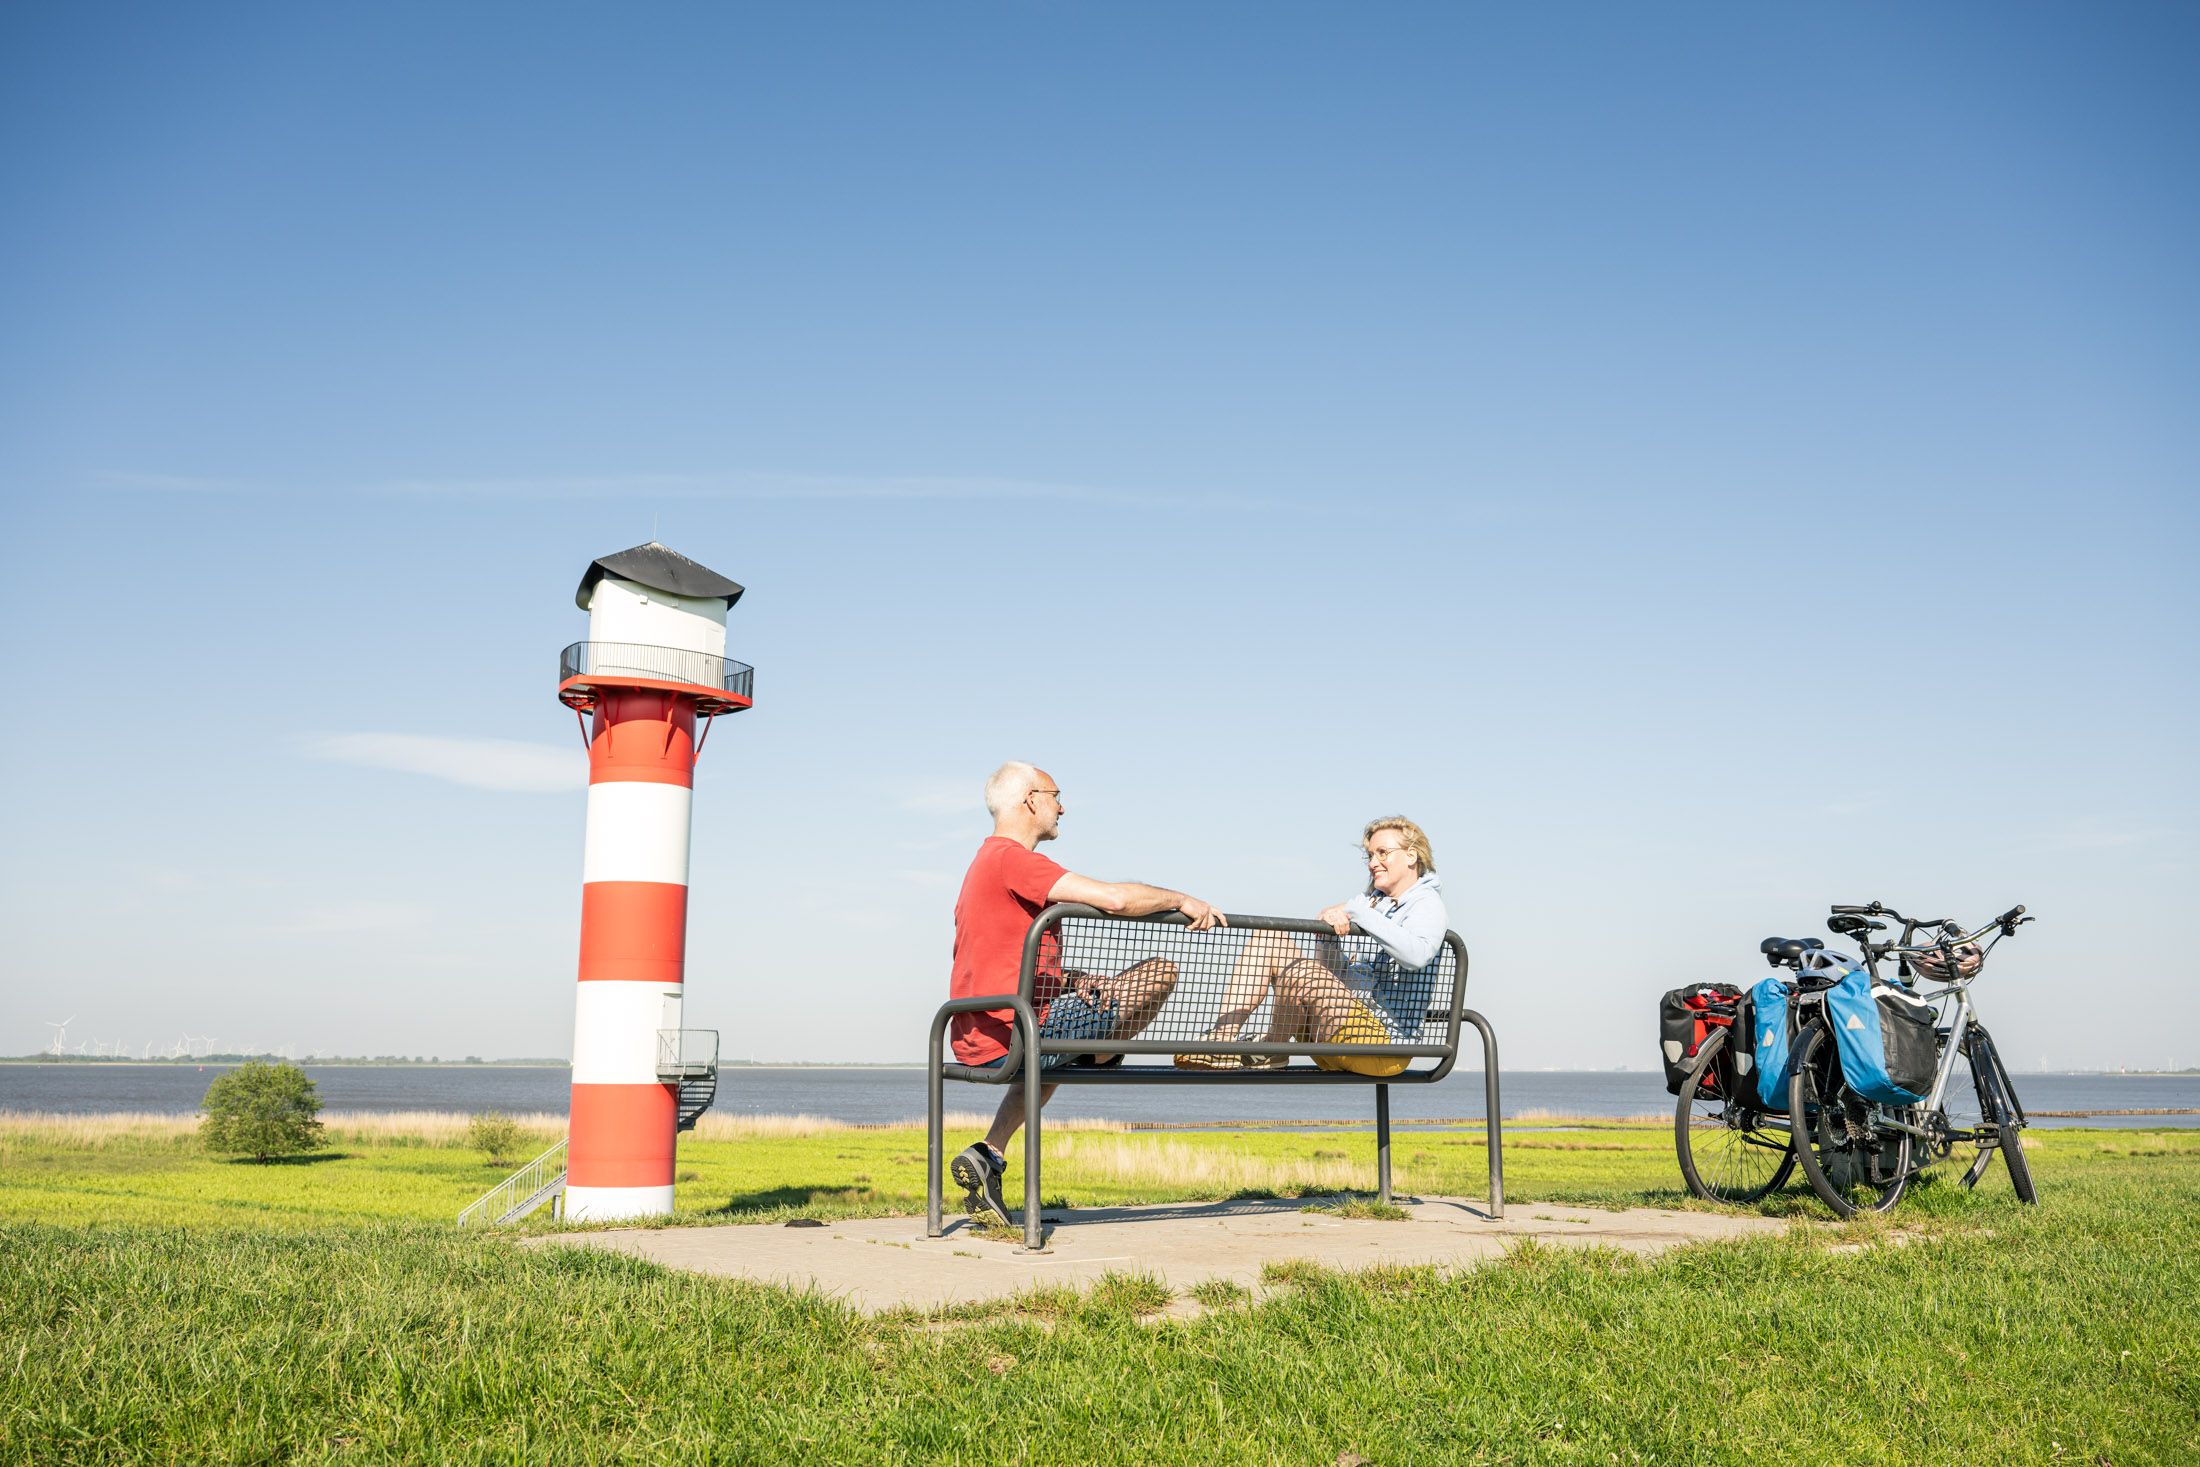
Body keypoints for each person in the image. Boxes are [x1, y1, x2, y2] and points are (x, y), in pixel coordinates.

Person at [947, 761, 1223, 1225]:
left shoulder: (983, 863)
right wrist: (1181, 900)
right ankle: (1100, 1052)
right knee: (1160, 972)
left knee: (1061, 1043)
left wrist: (1072, 980)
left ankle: (988, 1154)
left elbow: (1003, 958)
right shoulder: (1013, 859)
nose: (1063, 806)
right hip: (1019, 1032)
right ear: (1030, 800)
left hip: (986, 1030)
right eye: (1056, 795)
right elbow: (1113, 899)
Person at [1176, 816, 1447, 1077]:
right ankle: (1221, 1042)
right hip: (1335, 1032)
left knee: (1303, 972)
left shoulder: (1425, 903)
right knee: (1270, 938)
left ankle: (1273, 1048)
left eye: (1383, 853)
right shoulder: (1372, 903)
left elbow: (1417, 955)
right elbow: (1331, 974)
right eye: (1370, 855)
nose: (1373, 862)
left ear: (1411, 856)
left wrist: (1357, 912)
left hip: (1383, 1048)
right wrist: (1329, 936)